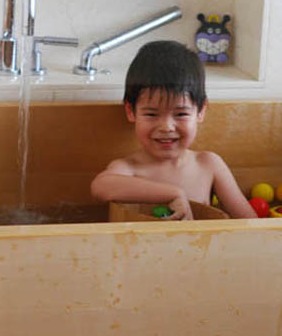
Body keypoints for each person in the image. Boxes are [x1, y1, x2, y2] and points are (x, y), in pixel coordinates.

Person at [91, 41, 256, 220]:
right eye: (152, 114)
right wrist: (173, 193)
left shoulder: (208, 165)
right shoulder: (129, 169)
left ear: (201, 111)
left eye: (181, 113)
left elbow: (249, 223)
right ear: (131, 111)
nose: (166, 127)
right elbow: (100, 187)